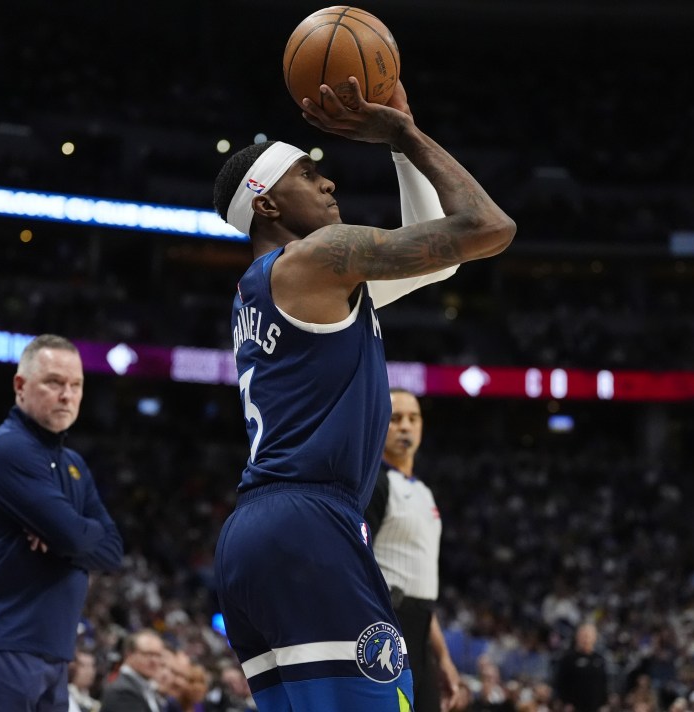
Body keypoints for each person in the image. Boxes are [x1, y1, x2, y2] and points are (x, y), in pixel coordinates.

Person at [211, 75, 516, 712]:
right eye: (305, 174)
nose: (328, 182)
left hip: (254, 535)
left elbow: (441, 260)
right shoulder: (318, 258)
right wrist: (404, 133)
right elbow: (487, 227)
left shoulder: (275, 288)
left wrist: (403, 154)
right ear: (267, 203)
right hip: (311, 525)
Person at [0, 334, 124, 712]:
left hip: (53, 651)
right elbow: (76, 538)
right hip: (4, 645)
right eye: (54, 382)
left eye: (76, 385)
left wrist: (69, 539)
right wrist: (72, 537)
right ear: (20, 385)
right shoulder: (6, 449)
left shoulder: (74, 465)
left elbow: (112, 550)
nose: (67, 395)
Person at [364, 388, 466, 712]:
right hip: (387, 625)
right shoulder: (373, 484)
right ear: (378, 424)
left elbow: (420, 589)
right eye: (395, 419)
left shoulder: (423, 492)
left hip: (420, 630)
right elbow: (355, 563)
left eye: (413, 418)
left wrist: (444, 658)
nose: (405, 426)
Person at [99, 630, 167, 712]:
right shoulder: (122, 691)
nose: (154, 661)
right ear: (129, 654)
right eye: (148, 654)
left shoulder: (147, 689)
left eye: (158, 655)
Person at [553, 623, 609, 712]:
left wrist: (604, 703)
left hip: (595, 707)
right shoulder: (568, 659)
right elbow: (560, 683)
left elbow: (604, 683)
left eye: (589, 636)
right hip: (574, 707)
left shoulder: (600, 659)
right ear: (577, 637)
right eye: (583, 635)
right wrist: (565, 702)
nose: (586, 639)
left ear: (595, 638)